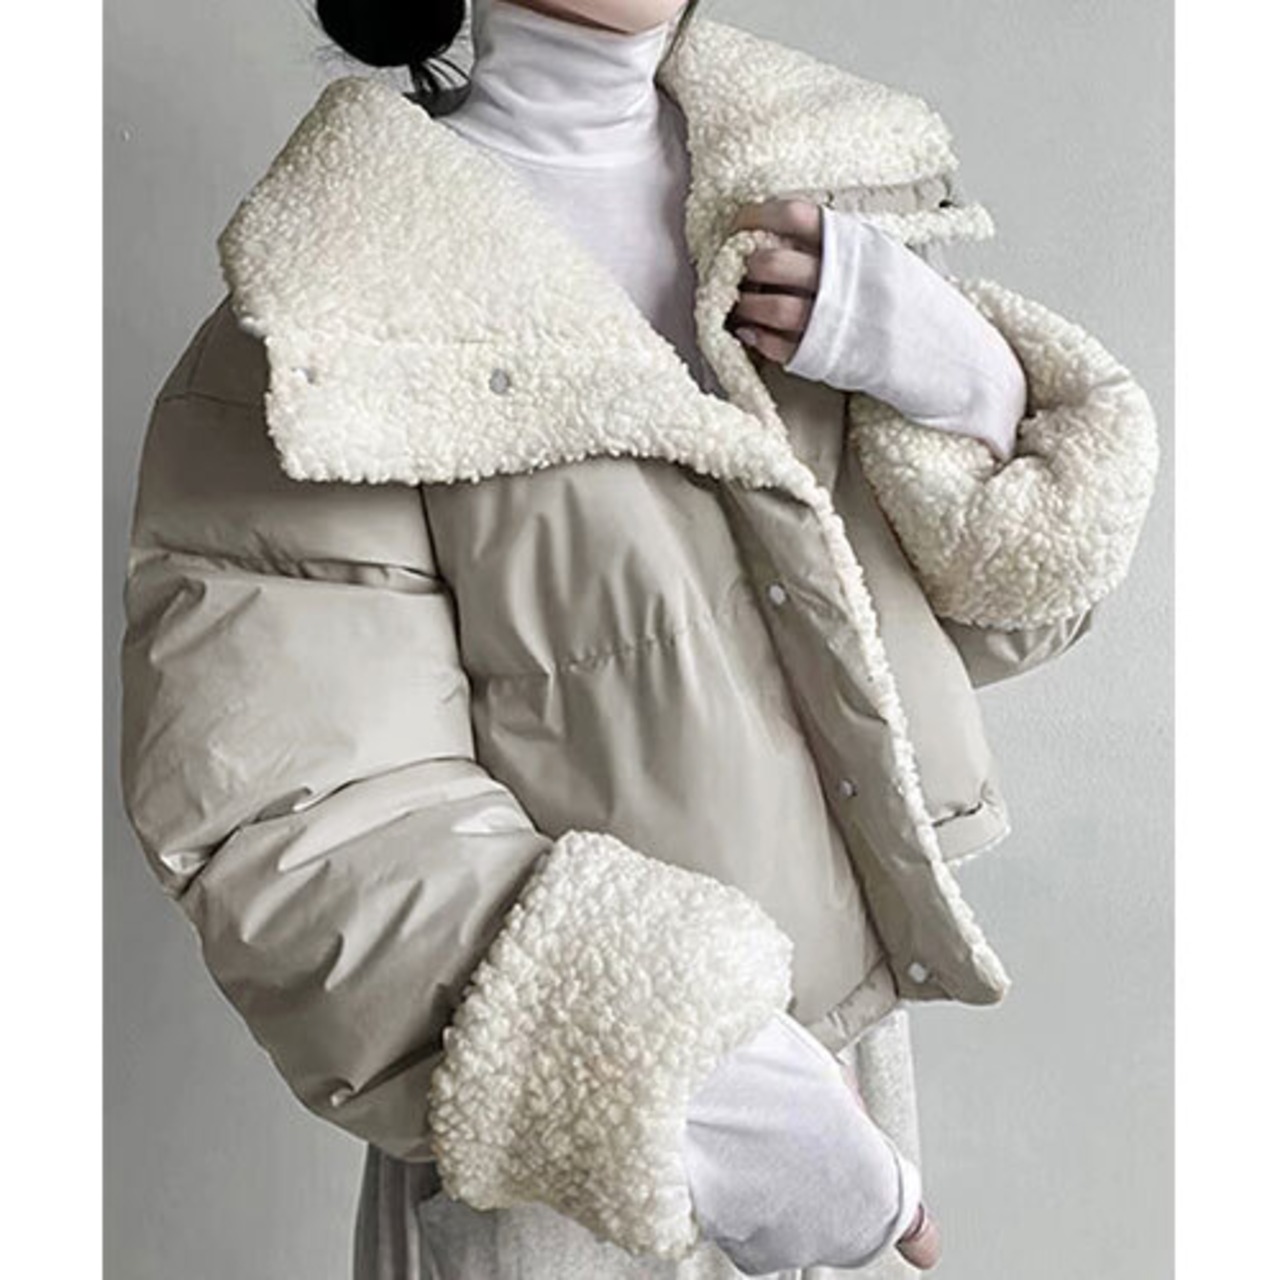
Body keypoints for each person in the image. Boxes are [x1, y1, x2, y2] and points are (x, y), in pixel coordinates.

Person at [118, 2, 1159, 1278]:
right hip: (560, 1118)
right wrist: (714, 1084)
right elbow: (300, 818)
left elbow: (971, 635)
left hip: (843, 1072)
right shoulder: (323, 323)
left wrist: (968, 387)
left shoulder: (817, 202)